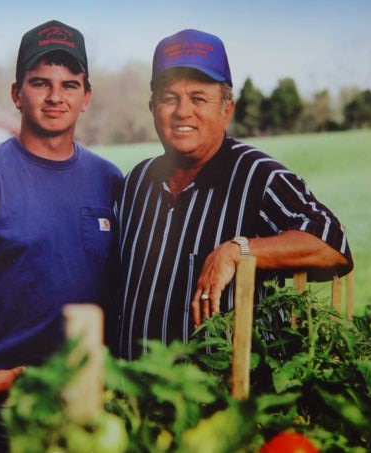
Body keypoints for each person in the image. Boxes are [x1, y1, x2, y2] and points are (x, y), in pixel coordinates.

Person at [0, 19, 122, 451]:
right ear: (17, 93)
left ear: (86, 97)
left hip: (94, 404)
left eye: (70, 85)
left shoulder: (110, 181)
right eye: (40, 83)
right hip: (7, 409)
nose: (56, 97)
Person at [113, 29, 353, 360]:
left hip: (230, 403)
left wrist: (238, 251)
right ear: (153, 107)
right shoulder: (135, 183)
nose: (183, 111)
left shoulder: (259, 177)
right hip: (138, 399)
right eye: (170, 98)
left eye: (199, 98)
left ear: (227, 109)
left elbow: (332, 246)